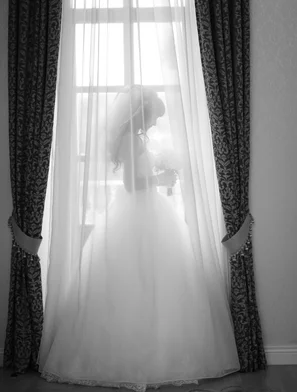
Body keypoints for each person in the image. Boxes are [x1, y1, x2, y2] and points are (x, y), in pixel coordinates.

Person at [39, 86, 240, 391]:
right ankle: (140, 357)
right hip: (139, 211)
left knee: (152, 281)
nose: (156, 124)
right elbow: (133, 185)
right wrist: (159, 178)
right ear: (142, 114)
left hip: (145, 211)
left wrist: (159, 171)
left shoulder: (132, 139)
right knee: (139, 280)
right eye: (154, 118)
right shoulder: (131, 140)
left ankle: (153, 350)